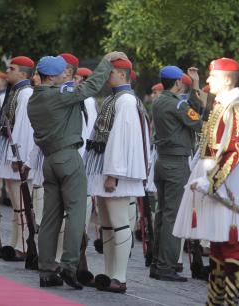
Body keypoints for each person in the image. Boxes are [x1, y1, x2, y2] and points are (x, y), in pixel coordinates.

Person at [28, 51, 127, 289]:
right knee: (76, 213)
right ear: (51, 77)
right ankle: (69, 266)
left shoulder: (34, 99)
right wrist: (106, 61)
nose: (66, 73)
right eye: (62, 71)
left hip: (49, 161)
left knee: (50, 218)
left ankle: (46, 270)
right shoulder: (60, 94)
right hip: (68, 158)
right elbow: (90, 86)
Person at [173, 58, 239, 305]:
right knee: (218, 244)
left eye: (212, 76)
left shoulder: (238, 109)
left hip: (228, 183)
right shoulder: (222, 105)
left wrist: (213, 181)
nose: (208, 81)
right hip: (216, 181)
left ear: (228, 79)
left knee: (230, 245)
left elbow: (234, 150)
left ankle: (229, 302)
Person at [84, 57, 149, 293]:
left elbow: (121, 141)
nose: (106, 76)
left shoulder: (126, 101)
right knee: (108, 224)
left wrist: (113, 174)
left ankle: (119, 277)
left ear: (122, 74)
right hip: (106, 169)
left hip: (116, 172)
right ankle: (110, 272)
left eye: (109, 72)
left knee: (119, 222)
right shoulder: (116, 99)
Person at [150, 65, 203, 282]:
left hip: (162, 161)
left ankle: (157, 262)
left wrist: (194, 88)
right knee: (172, 216)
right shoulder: (178, 104)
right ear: (178, 83)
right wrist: (198, 88)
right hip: (176, 164)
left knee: (162, 214)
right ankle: (166, 266)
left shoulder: (159, 101)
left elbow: (187, 109)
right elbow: (198, 122)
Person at [0, 56, 35, 260]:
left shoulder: (25, 94)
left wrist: (19, 157)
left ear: (23, 74)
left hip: (17, 154)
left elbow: (25, 129)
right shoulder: (16, 92)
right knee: (17, 205)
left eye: (12, 68)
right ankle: (16, 243)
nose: (8, 71)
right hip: (11, 151)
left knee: (21, 204)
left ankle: (23, 245)